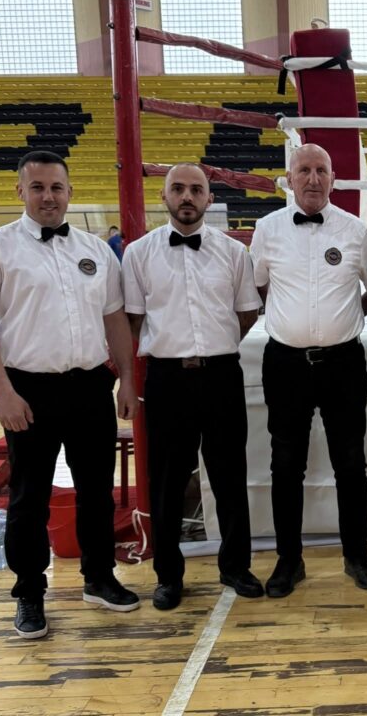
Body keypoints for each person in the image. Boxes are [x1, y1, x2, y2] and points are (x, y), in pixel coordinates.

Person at [0, 150, 139, 639]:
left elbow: (114, 319)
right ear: (20, 191)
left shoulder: (97, 251)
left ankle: (99, 578)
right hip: (27, 389)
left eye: (56, 187)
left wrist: (127, 380)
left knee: (96, 491)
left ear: (70, 192)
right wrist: (3, 393)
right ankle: (30, 593)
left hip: (91, 385)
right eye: (37, 187)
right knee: (29, 497)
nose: (48, 196)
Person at [122, 163, 264, 610]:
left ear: (209, 198)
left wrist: (213, 346)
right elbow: (132, 321)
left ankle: (236, 566)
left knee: (230, 476)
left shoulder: (234, 252)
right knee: (166, 482)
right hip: (166, 378)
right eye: (178, 189)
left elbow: (246, 314)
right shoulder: (138, 254)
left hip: (221, 374)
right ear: (164, 196)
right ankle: (168, 576)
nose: (187, 196)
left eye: (196, 190)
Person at [250, 143, 367, 597]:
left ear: (333, 179)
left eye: (321, 170)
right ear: (289, 178)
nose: (312, 178)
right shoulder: (266, 229)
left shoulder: (355, 231)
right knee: (286, 464)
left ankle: (357, 555)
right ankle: (289, 560)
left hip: (344, 363)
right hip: (284, 363)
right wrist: (292, 321)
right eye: (303, 170)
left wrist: (347, 316)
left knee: (351, 462)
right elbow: (257, 287)